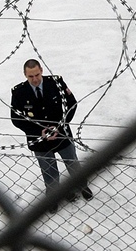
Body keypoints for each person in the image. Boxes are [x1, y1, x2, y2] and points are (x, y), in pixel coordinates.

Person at [10, 59, 93, 213]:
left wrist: (59, 127)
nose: (35, 79)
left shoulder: (55, 83)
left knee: (71, 162)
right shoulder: (19, 93)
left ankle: (82, 185)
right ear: (25, 75)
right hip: (39, 140)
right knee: (48, 170)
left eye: (37, 74)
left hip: (61, 134)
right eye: (30, 76)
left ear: (41, 70)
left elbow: (71, 104)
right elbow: (16, 119)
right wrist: (37, 132)